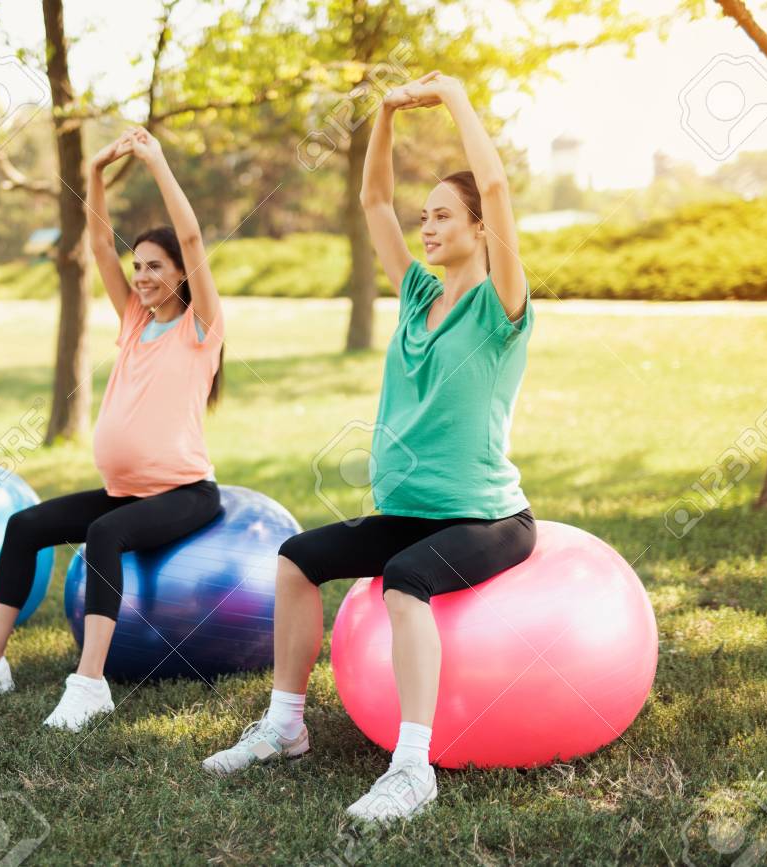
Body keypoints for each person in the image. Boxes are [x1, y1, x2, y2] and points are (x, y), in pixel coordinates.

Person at [202, 71, 537, 823]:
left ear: (482, 229)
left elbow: (498, 187)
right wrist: (384, 114)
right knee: (297, 559)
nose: (427, 227)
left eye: (445, 216)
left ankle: (413, 767)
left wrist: (452, 95)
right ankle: (285, 724)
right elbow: (373, 202)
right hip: (412, 507)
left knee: (405, 578)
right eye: (428, 217)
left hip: (487, 518)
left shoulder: (500, 306)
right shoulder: (419, 297)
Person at [0, 127, 226, 730]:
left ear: (182, 273)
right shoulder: (136, 323)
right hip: (125, 491)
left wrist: (156, 160)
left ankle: (89, 684)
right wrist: (90, 172)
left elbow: (191, 234)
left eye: (155, 267)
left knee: (105, 536)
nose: (141, 276)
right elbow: (93, 240)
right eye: (137, 265)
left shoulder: (201, 327)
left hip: (184, 496)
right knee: (25, 525)